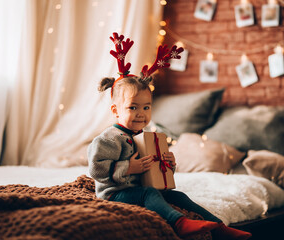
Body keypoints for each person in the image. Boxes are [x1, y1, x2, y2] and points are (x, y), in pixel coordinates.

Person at [88, 32, 252, 239]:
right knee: (150, 194)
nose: (141, 113)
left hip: (141, 187)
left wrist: (167, 164)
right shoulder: (109, 138)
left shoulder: (146, 136)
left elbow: (155, 171)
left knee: (177, 195)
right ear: (115, 110)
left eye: (146, 107)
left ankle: (220, 227)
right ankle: (179, 222)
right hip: (115, 194)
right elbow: (96, 168)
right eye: (133, 107)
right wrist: (129, 167)